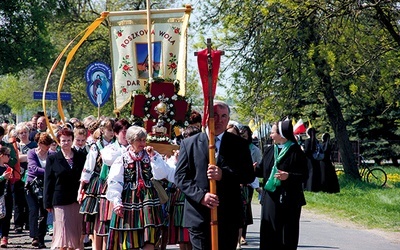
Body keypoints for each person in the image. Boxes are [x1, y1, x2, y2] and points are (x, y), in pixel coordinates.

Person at [175, 101, 255, 250]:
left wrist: (224, 175)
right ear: (207, 117)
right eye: (215, 116)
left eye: (224, 116)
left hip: (228, 216)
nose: (220, 120)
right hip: (199, 216)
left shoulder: (239, 145)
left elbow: (248, 175)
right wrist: (201, 196)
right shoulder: (189, 144)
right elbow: (180, 177)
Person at [106, 125, 174, 249]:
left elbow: (162, 173)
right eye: (139, 140)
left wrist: (153, 157)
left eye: (144, 140)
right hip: (129, 199)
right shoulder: (123, 158)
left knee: (150, 235)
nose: (143, 143)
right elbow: (115, 181)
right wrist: (116, 201)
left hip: (149, 198)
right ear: (131, 141)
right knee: (130, 236)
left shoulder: (151, 155)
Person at [255, 119, 308, 249]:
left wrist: (288, 176)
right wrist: (254, 169)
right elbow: (262, 171)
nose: (270, 135)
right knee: (269, 232)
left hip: (289, 199)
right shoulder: (269, 151)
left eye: (273, 132)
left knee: (287, 234)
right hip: (270, 197)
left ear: (282, 134)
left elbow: (305, 175)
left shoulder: (296, 152)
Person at [43, 128, 87, 250]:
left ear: (72, 140)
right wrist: (47, 203)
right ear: (58, 141)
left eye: (68, 140)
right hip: (60, 200)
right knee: (63, 233)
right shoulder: (52, 158)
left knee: (76, 232)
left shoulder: (81, 157)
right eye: (63, 140)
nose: (66, 143)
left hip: (77, 199)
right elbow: (48, 181)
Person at [78, 118, 115, 250]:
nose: (112, 133)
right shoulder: (96, 146)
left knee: (108, 220)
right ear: (102, 130)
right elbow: (88, 167)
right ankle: (96, 247)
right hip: (99, 183)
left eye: (113, 130)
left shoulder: (117, 145)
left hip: (114, 182)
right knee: (98, 218)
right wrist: (81, 187)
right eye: (109, 130)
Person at [25, 132, 53, 248]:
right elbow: (33, 168)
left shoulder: (52, 154)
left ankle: (40, 238)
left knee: (44, 212)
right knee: (33, 210)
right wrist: (48, 171)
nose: (47, 147)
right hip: (32, 186)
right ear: (39, 144)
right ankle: (34, 236)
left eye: (48, 144)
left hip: (45, 186)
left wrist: (46, 171)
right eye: (45, 144)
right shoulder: (31, 153)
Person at [237, 125, 262, 249]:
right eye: (241, 136)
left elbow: (259, 168)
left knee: (245, 208)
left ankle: (243, 236)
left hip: (248, 184)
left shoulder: (254, 150)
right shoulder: (234, 147)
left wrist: (253, 169)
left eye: (245, 136)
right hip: (236, 182)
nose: (243, 138)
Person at [0, 147, 14, 247]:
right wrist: (2, 177)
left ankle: (5, 237)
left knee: (7, 215)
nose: (9, 157)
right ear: (2, 155)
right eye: (8, 155)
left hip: (7, 194)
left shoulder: (7, 167)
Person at [304, 127, 322, 192]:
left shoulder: (307, 141)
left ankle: (309, 187)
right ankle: (316, 187)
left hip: (309, 159)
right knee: (315, 173)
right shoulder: (317, 141)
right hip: (316, 159)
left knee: (309, 173)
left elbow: (306, 151)